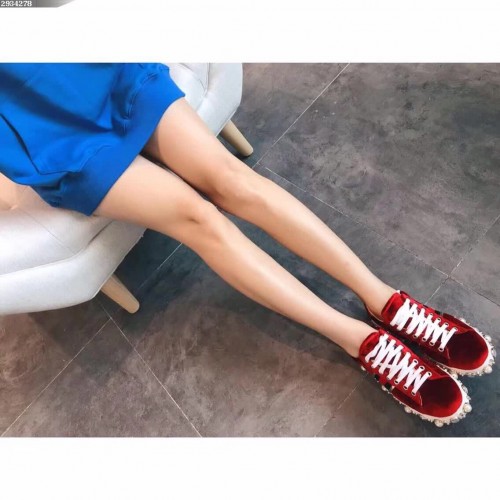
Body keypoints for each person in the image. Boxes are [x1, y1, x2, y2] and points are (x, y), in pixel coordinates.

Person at [0, 63, 495, 427]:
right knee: (199, 219)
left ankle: (384, 299)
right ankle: (358, 339)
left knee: (232, 180)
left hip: (97, 69)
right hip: (39, 133)